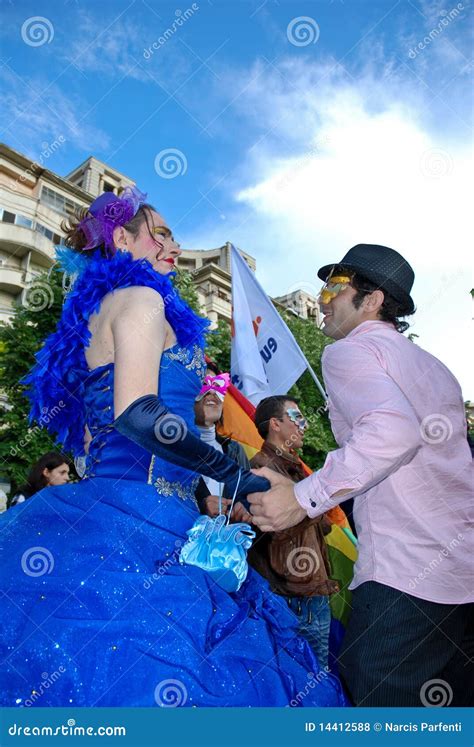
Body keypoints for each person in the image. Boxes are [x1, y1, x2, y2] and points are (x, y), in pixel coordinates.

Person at [0, 187, 347, 707]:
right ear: (122, 238)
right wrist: (228, 473)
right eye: (161, 233)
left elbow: (94, 443)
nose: (175, 246)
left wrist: (196, 490)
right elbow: (138, 414)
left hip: (125, 513)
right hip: (141, 521)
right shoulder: (142, 300)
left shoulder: (99, 315)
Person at [249, 244, 473, 707]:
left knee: (374, 705)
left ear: (371, 300)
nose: (323, 298)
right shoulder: (435, 369)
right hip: (461, 577)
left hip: (407, 575)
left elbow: (392, 433)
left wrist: (303, 496)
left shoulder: (349, 352)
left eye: (335, 287)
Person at [249, 396, 338, 669]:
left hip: (308, 593)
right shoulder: (261, 468)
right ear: (275, 424)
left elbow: (323, 524)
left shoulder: (295, 468)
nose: (305, 424)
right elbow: (275, 528)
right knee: (306, 685)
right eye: (297, 417)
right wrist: (311, 505)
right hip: (293, 597)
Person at [193, 368, 251, 520]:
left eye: (218, 386)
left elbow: (249, 498)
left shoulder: (235, 451)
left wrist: (244, 509)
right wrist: (200, 504)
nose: (212, 392)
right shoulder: (169, 444)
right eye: (204, 384)